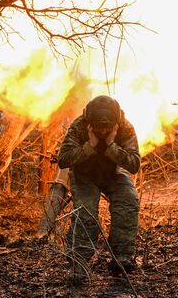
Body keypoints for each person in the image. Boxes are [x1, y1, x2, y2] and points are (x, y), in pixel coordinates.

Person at [57, 95, 141, 284]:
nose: (103, 130)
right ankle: (79, 262)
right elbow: (64, 159)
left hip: (114, 174)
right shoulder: (79, 126)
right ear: (90, 122)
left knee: (128, 202)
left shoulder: (124, 127)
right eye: (98, 127)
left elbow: (134, 164)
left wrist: (111, 145)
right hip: (85, 176)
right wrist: (90, 146)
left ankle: (121, 259)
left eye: (107, 127)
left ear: (115, 122)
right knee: (85, 214)